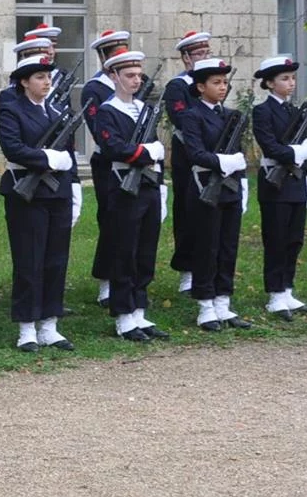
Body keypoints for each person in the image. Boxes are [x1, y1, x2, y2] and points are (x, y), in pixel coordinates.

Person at [0, 55, 77, 352]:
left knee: (55, 259)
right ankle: (27, 327)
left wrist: (62, 162)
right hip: (26, 193)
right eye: (40, 77)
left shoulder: (56, 110)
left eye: (48, 77)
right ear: (24, 82)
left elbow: (68, 150)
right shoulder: (11, 110)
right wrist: (46, 158)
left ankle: (49, 324)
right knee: (29, 259)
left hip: (56, 193)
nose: (46, 82)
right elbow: (13, 148)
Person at [90, 49, 171, 342]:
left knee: (145, 250)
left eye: (138, 75)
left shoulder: (145, 110)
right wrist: (147, 153)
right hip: (123, 187)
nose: (136, 81)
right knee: (125, 251)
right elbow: (114, 148)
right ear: (113, 76)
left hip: (147, 186)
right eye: (129, 76)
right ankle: (124, 315)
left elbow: (155, 147)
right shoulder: (108, 111)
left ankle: (139, 310)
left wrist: (156, 167)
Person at [170, 57, 253, 330]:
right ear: (200, 87)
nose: (222, 87)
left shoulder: (230, 116)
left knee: (228, 246)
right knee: (208, 246)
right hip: (205, 187)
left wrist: (240, 177)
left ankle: (223, 301)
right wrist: (223, 161)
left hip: (229, 187)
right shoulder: (191, 116)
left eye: (225, 82)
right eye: (216, 82)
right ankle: (205, 304)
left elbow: (238, 150)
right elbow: (194, 152)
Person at [251, 56, 307, 319]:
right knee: (276, 239)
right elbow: (270, 147)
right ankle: (275, 293)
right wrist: (296, 152)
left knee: (294, 239)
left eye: (292, 78)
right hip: (275, 183)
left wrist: (303, 159)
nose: (290, 83)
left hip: (296, 182)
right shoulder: (262, 111)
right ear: (269, 83)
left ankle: (287, 289)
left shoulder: (294, 112)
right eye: (284, 79)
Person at [79, 27, 135, 307]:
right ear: (104, 58)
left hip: (136, 161)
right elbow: (99, 130)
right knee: (111, 220)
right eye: (115, 55)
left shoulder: (136, 82)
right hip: (108, 162)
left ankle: (129, 278)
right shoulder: (95, 89)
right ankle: (106, 279)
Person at [161, 28, 217, 295]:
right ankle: (186, 269)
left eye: (207, 52)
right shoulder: (178, 87)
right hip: (187, 155)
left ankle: (209, 266)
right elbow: (181, 118)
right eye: (198, 53)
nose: (203, 57)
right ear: (185, 58)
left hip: (213, 153)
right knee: (186, 210)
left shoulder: (212, 83)